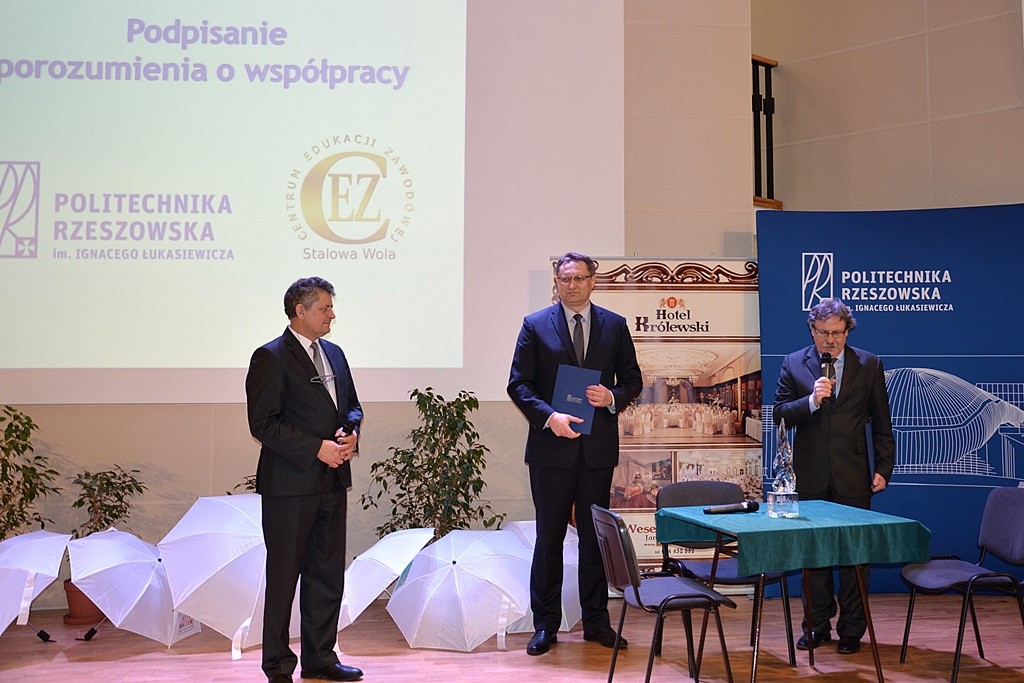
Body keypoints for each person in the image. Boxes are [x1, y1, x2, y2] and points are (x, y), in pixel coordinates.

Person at [507, 251, 643, 656]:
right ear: (556, 282)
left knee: (594, 541)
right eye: (565, 279)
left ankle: (596, 622)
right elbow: (519, 384)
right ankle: (545, 625)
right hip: (551, 450)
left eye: (579, 278)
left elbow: (633, 380)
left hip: (596, 450)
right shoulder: (535, 325)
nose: (572, 285)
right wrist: (550, 417)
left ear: (592, 281)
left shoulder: (615, 325)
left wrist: (611, 397)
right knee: (548, 538)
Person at [246, 276, 364, 683]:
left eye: (331, 307)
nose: (332, 315)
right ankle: (278, 666)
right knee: (284, 577)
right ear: (300, 311)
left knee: (326, 575)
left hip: (332, 481)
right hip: (289, 487)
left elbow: (351, 406)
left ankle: (321, 658)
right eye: (324, 308)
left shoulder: (335, 353)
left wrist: (351, 433)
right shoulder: (270, 357)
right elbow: (263, 424)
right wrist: (316, 448)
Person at [772, 297, 895, 656]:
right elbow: (779, 414)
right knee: (815, 556)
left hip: (854, 474)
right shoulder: (794, 363)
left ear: (847, 331)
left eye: (837, 333)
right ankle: (816, 625)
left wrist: (883, 467)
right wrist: (811, 402)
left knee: (855, 556)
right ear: (812, 330)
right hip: (810, 474)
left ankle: (853, 629)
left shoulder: (869, 363)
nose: (830, 340)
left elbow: (882, 422)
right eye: (823, 333)